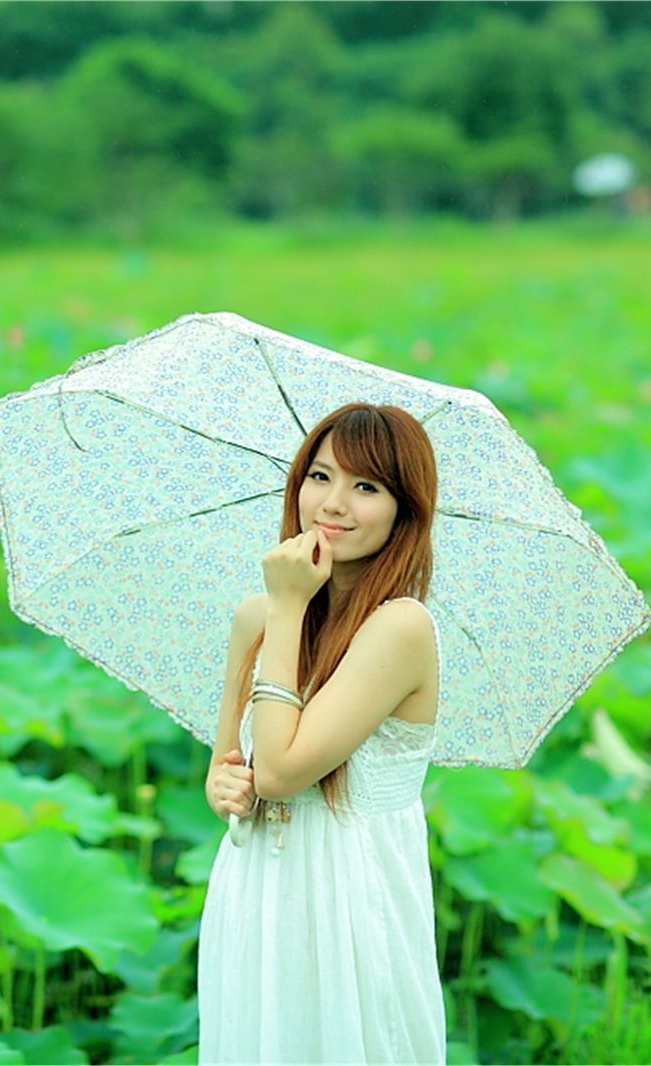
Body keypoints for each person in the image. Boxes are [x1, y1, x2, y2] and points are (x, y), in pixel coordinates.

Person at [196, 402, 447, 1064]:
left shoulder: (401, 628)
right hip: (256, 889)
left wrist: (284, 606)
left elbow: (280, 771)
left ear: (403, 511)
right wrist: (222, 785)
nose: (333, 504)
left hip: (350, 898)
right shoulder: (256, 617)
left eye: (366, 487)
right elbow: (237, 770)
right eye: (320, 476)